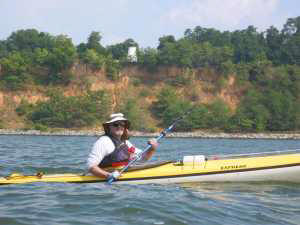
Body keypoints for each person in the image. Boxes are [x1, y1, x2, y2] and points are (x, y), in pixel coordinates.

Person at [87, 113, 158, 180]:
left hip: (122, 175)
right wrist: (108, 175)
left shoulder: (126, 143)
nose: (119, 127)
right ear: (109, 127)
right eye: (116, 124)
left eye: (122, 124)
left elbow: (143, 158)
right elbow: (91, 166)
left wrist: (152, 148)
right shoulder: (103, 141)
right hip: (106, 180)